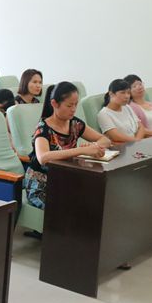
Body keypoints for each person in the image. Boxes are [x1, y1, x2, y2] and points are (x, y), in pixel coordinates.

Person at [25, 82, 111, 210]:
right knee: (73, 207)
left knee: (97, 199)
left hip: (67, 180)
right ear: (54, 104)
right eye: (69, 105)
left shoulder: (75, 124)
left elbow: (105, 140)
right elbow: (43, 157)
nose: (73, 109)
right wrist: (82, 150)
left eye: (76, 104)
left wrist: (94, 146)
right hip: (42, 186)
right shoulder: (43, 128)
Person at [97, 79, 145, 144]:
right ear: (111, 94)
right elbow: (115, 136)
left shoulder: (127, 107)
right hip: (122, 147)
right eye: (123, 92)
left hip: (136, 144)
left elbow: (141, 127)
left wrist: (138, 141)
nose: (127, 96)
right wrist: (136, 141)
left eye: (128, 93)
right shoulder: (104, 114)